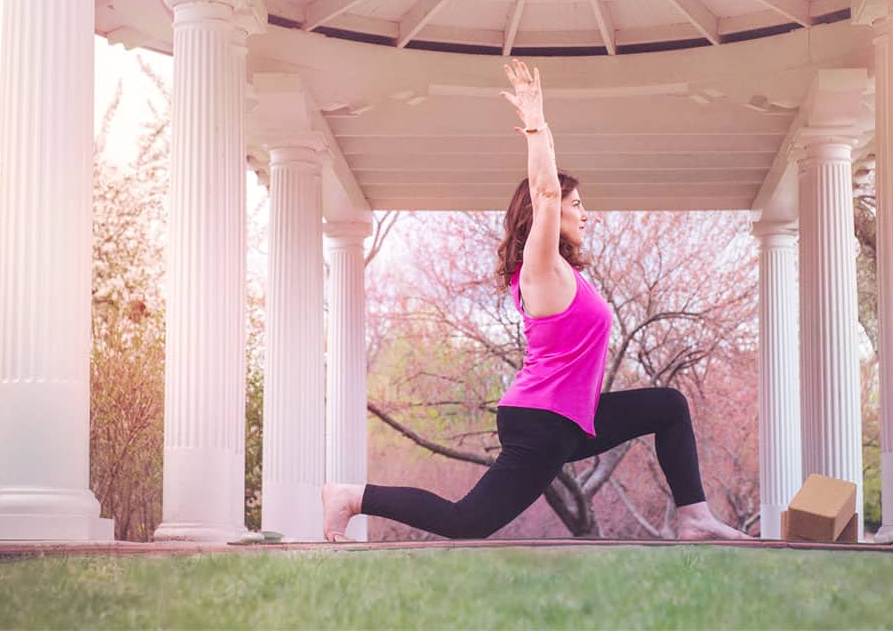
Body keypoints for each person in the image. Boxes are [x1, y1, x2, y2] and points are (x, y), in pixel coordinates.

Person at [321, 59, 751, 543]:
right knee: (469, 522)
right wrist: (535, 124)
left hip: (573, 419)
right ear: (549, 213)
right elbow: (546, 192)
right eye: (578, 205)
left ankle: (694, 516)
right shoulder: (539, 267)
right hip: (541, 422)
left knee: (669, 405)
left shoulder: (569, 274)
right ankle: (352, 496)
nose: (587, 215)